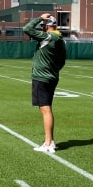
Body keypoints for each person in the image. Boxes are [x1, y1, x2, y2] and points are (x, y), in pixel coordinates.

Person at [23, 13, 66, 154]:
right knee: (46, 108)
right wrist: (53, 70)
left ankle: (48, 143)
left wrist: (40, 18)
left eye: (43, 26)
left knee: (45, 109)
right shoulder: (61, 40)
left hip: (42, 78)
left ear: (47, 26)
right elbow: (62, 61)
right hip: (51, 77)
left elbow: (27, 29)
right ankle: (50, 141)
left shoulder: (49, 37)